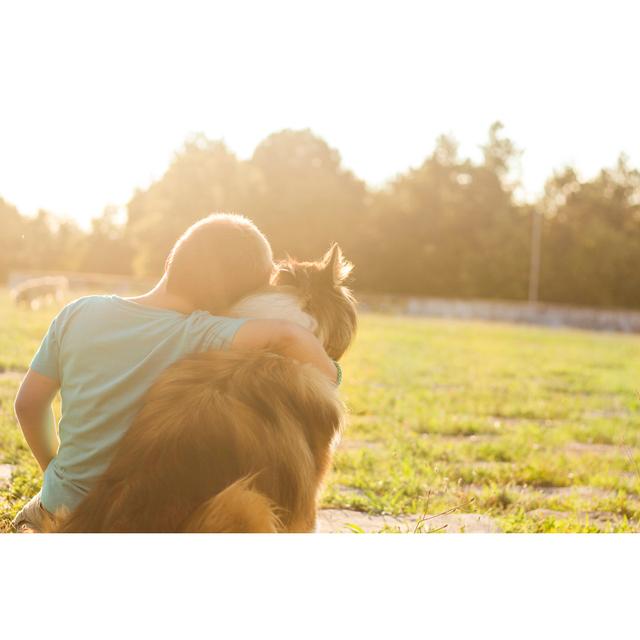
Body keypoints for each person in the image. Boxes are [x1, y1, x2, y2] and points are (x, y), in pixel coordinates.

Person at [12, 213, 337, 532]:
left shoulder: (78, 313)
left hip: (60, 509)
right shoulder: (207, 334)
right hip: (140, 515)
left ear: (170, 259)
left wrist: (53, 472)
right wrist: (329, 375)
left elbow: (28, 405)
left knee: (30, 517)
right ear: (239, 300)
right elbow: (287, 335)